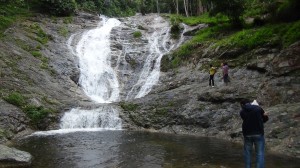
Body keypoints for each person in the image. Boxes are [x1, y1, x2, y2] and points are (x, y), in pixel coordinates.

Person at [239, 99, 269, 168]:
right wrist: (264, 115)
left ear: (242, 105)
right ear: (249, 103)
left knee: (247, 153)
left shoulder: (242, 111)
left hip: (247, 134)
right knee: (259, 154)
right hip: (258, 133)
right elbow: (265, 119)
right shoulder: (258, 108)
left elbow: (247, 119)